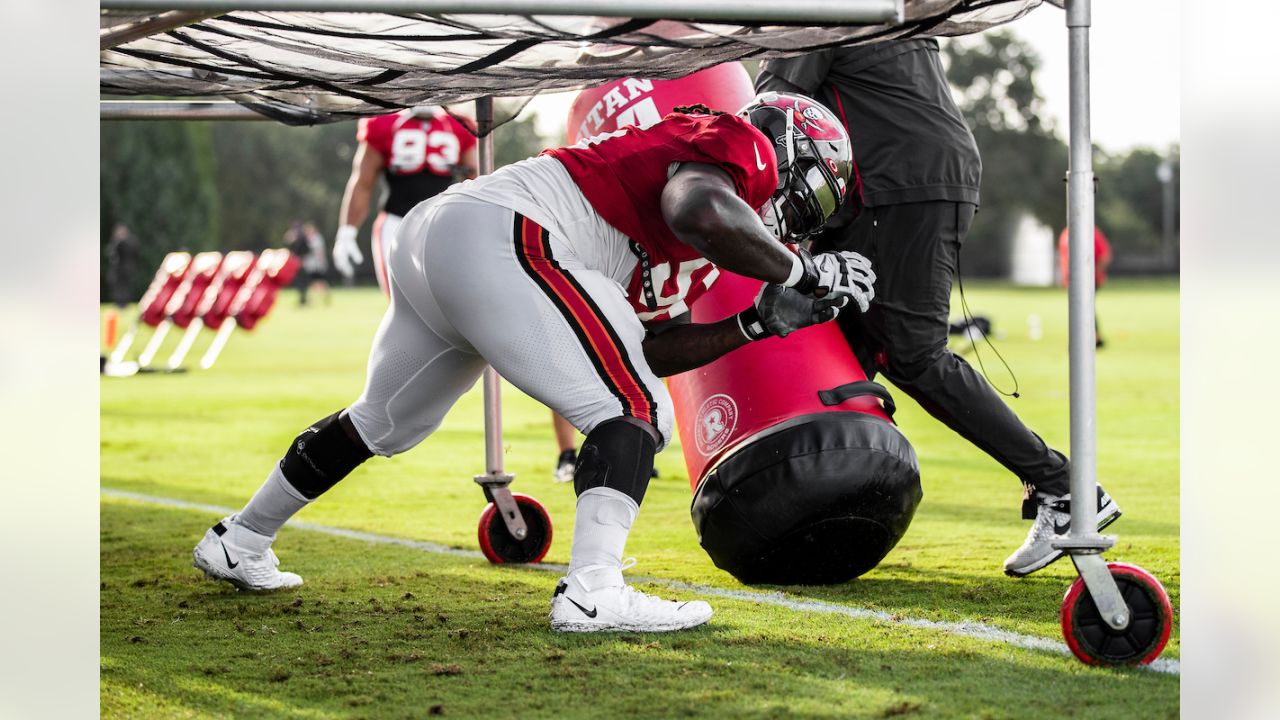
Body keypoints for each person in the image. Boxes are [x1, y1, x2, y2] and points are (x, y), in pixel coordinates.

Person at [192, 95, 874, 632]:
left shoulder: (692, 250)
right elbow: (696, 206)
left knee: (385, 420)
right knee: (632, 409)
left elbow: (653, 348)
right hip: (507, 229)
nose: (803, 220)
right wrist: (805, 271)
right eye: (816, 195)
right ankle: (594, 592)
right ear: (794, 155)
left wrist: (754, 322)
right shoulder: (734, 143)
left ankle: (241, 538)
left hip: (446, 236)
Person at [756, 41, 1120, 579]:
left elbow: (774, 103)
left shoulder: (814, 8)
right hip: (909, 177)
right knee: (843, 342)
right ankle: (824, 516)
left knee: (913, 354)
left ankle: (1064, 489)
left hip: (893, 181)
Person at [333, 107, 479, 293]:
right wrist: (347, 232)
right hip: (396, 221)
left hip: (442, 225)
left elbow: (477, 183)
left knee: (448, 300)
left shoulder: (457, 125)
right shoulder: (386, 124)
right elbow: (363, 182)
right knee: (399, 300)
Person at [1057, 225, 1112, 348]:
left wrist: (1095, 275)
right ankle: (1089, 337)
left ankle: (1092, 336)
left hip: (1089, 280)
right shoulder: (1065, 233)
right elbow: (1064, 258)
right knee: (1082, 307)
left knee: (1085, 306)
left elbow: (1104, 255)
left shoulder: (1091, 233)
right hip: (1071, 281)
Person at [105, 223, 138, 308]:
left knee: (127, 287)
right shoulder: (115, 242)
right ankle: (118, 303)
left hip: (127, 269)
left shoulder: (130, 241)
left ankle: (125, 303)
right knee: (117, 287)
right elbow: (111, 253)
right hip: (117, 269)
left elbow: (133, 252)